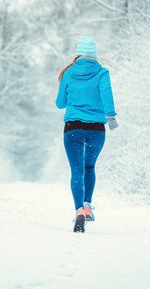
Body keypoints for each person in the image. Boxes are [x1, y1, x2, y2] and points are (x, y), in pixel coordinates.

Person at [55, 36, 117, 233]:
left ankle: (79, 211)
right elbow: (107, 95)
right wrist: (112, 118)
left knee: (77, 170)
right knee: (89, 166)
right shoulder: (102, 73)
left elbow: (60, 103)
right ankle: (88, 205)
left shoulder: (68, 73)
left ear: (78, 53)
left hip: (73, 128)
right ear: (95, 54)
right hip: (97, 129)